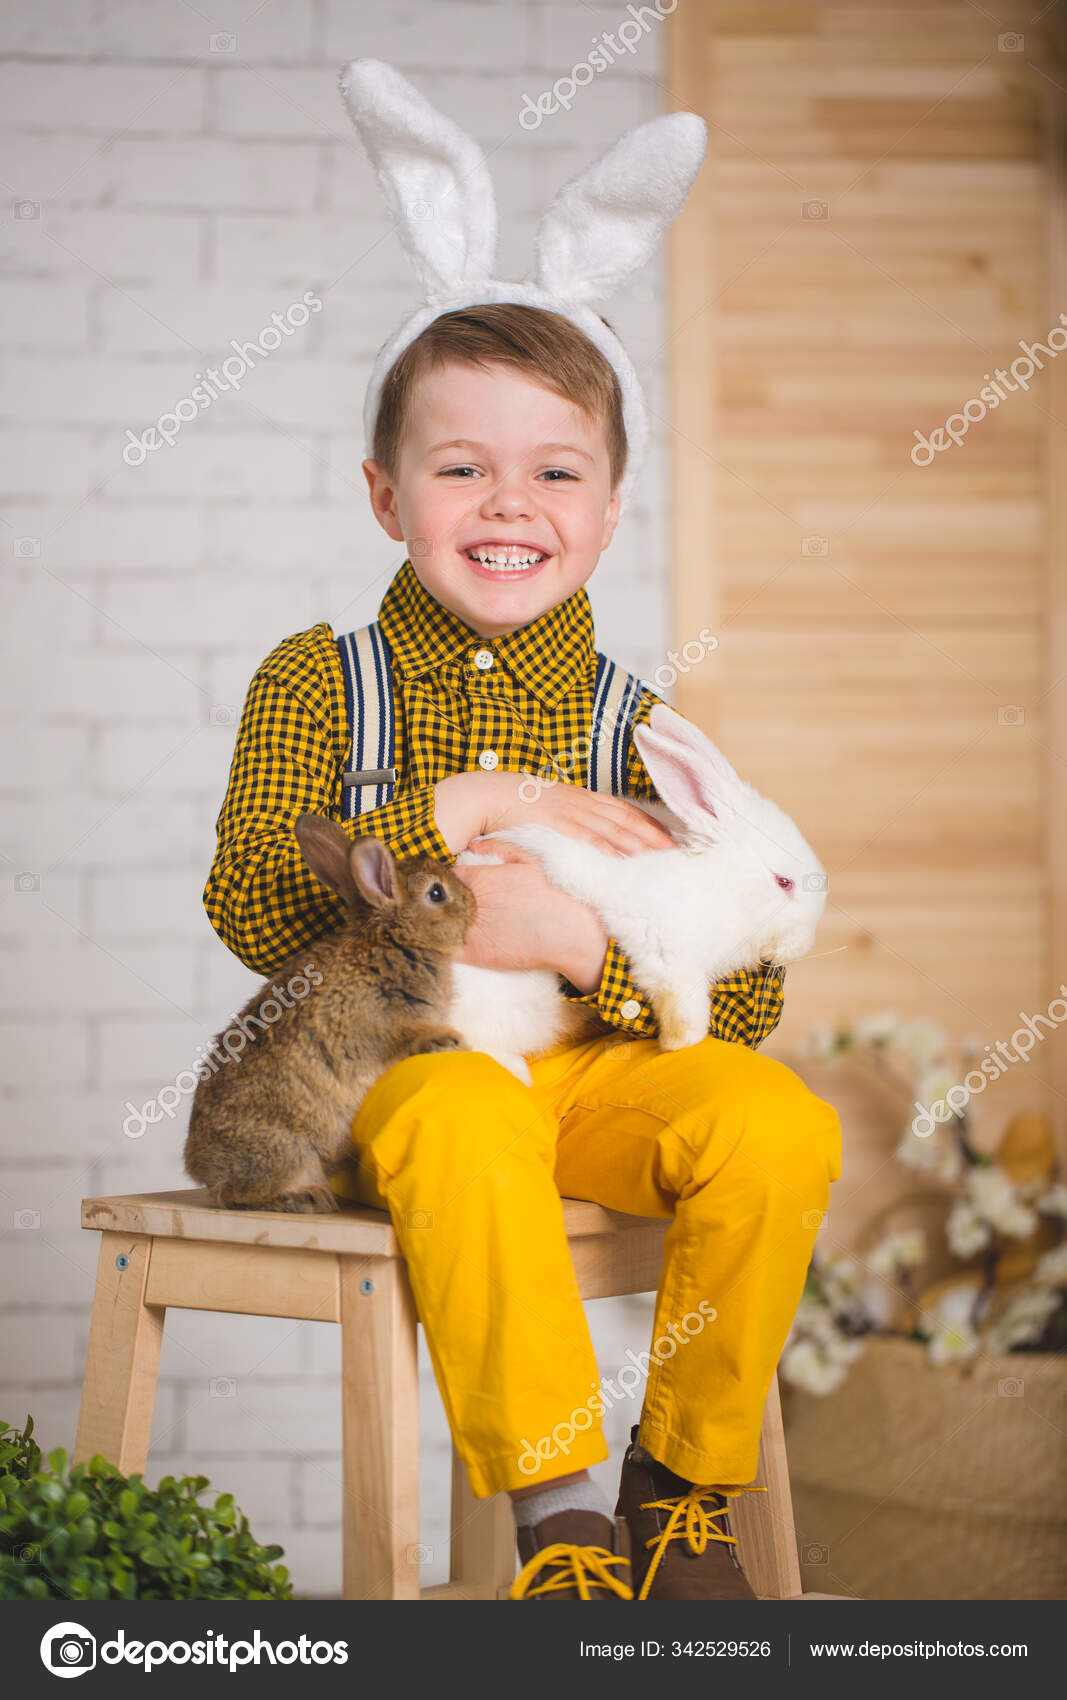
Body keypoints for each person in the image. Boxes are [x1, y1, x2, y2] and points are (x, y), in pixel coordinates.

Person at [203, 62, 842, 1602]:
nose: (510, 501)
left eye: (556, 469)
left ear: (611, 507)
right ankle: (561, 1519)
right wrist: (467, 811)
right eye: (462, 465)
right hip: (403, 1085)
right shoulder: (321, 678)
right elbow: (247, 897)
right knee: (469, 1121)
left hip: (594, 1075)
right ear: (386, 493)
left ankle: (681, 1487)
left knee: (775, 1122)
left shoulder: (633, 713)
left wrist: (580, 949)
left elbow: (739, 986)